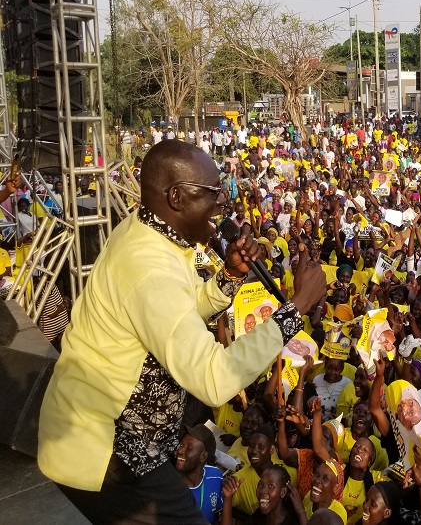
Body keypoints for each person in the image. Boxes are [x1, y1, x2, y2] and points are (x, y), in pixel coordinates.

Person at [37, 140, 327, 524]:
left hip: (126, 438)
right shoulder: (149, 267)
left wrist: (228, 278)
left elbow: (179, 313)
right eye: (212, 192)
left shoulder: (147, 233)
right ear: (176, 196)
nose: (223, 203)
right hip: (106, 444)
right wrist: (296, 309)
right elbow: (215, 378)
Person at [175, 424, 225, 523]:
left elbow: (217, 516)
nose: (180, 450)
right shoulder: (170, 486)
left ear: (203, 457)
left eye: (189, 448)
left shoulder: (215, 476)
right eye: (181, 445)